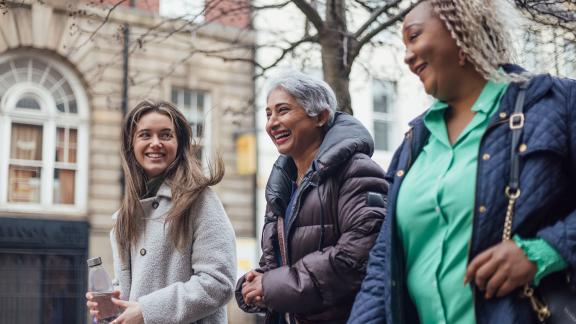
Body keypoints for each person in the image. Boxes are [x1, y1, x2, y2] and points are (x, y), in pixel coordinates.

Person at [349, 0, 576, 323]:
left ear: (462, 31)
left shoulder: (557, 104)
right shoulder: (414, 142)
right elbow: (382, 268)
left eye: (414, 37)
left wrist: (543, 252)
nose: (407, 55)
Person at [235, 71, 388, 323]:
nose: (272, 122)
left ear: (321, 116)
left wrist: (271, 285)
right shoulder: (282, 184)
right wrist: (255, 282)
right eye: (268, 114)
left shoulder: (357, 170)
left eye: (282, 110)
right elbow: (280, 262)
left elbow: (357, 257)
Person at [86, 100, 237, 324]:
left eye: (165, 135)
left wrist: (147, 311)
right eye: (145, 135)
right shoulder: (126, 214)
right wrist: (114, 304)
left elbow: (218, 283)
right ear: (131, 145)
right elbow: (134, 290)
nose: (155, 143)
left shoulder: (200, 200)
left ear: (179, 144)